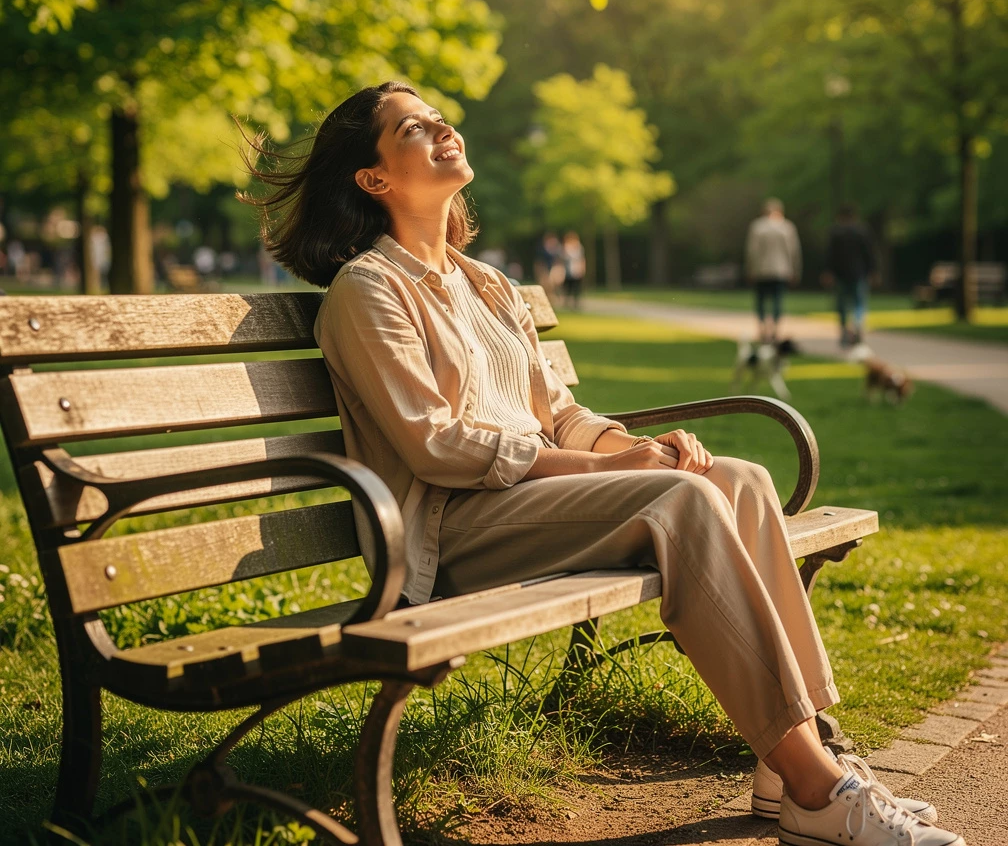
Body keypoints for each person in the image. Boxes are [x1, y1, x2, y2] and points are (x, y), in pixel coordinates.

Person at [242, 81, 961, 846]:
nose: (443, 128)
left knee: (739, 480)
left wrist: (636, 449)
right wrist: (617, 475)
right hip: (450, 528)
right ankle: (822, 793)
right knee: (678, 503)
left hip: (535, 507)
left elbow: (562, 416)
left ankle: (795, 764)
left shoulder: (487, 285)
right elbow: (437, 446)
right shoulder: (368, 291)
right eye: (415, 127)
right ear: (375, 177)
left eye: (440, 117)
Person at [745, 198, 802, 343]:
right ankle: (775, 329)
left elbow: (752, 251)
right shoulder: (787, 227)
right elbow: (793, 251)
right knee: (777, 300)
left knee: (761, 301)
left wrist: (750, 268)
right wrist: (795, 269)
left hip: (761, 270)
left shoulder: (757, 227)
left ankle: (763, 328)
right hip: (781, 270)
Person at [824, 204, 877, 348]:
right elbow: (869, 254)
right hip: (858, 273)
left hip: (840, 274)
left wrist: (828, 272)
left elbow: (830, 255)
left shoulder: (835, 233)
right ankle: (857, 326)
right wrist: (872, 271)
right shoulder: (862, 232)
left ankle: (844, 333)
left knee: (842, 306)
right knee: (858, 303)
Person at [533, 231, 563, 306]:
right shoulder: (542, 250)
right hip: (544, 271)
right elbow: (539, 262)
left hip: (554, 271)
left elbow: (559, 262)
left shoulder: (557, 251)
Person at [560, 230, 586, 310]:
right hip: (568, 271)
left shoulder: (579, 248)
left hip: (576, 270)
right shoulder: (565, 248)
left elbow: (581, 259)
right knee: (568, 288)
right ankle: (567, 303)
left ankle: (575, 303)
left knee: (576, 288)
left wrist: (582, 269)